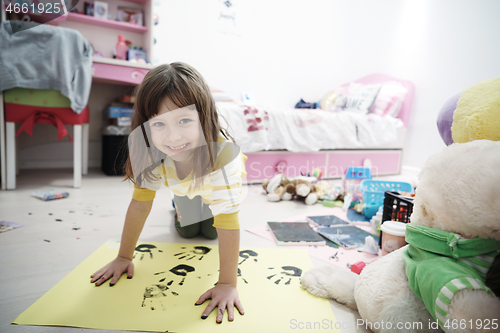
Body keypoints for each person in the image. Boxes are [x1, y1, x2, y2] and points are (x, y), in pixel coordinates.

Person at [90, 62, 247, 324]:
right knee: (186, 230)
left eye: (184, 120)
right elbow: (140, 205)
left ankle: (192, 203)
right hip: (183, 186)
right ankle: (180, 202)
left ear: (204, 117)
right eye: (159, 124)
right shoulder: (149, 149)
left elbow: (229, 224)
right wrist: (123, 257)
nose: (173, 137)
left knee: (210, 231)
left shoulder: (223, 159)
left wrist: (228, 284)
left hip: (216, 189)